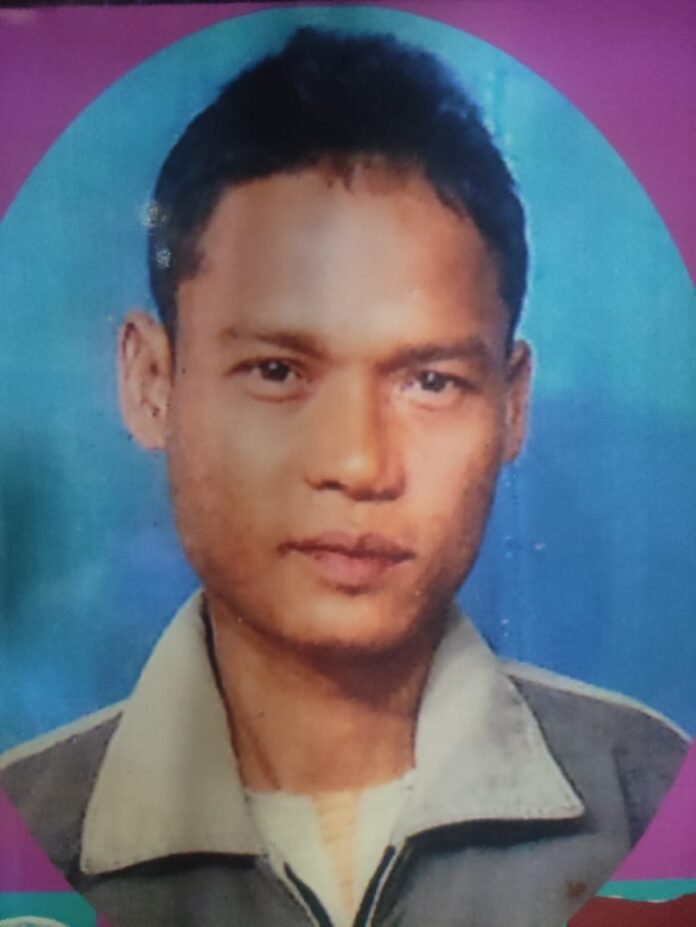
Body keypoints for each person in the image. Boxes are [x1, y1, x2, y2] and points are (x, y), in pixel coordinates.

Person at [0, 27, 688, 927]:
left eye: (430, 381)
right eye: (277, 371)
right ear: (151, 382)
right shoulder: (28, 827)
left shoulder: (651, 792)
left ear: (513, 405)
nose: (358, 464)